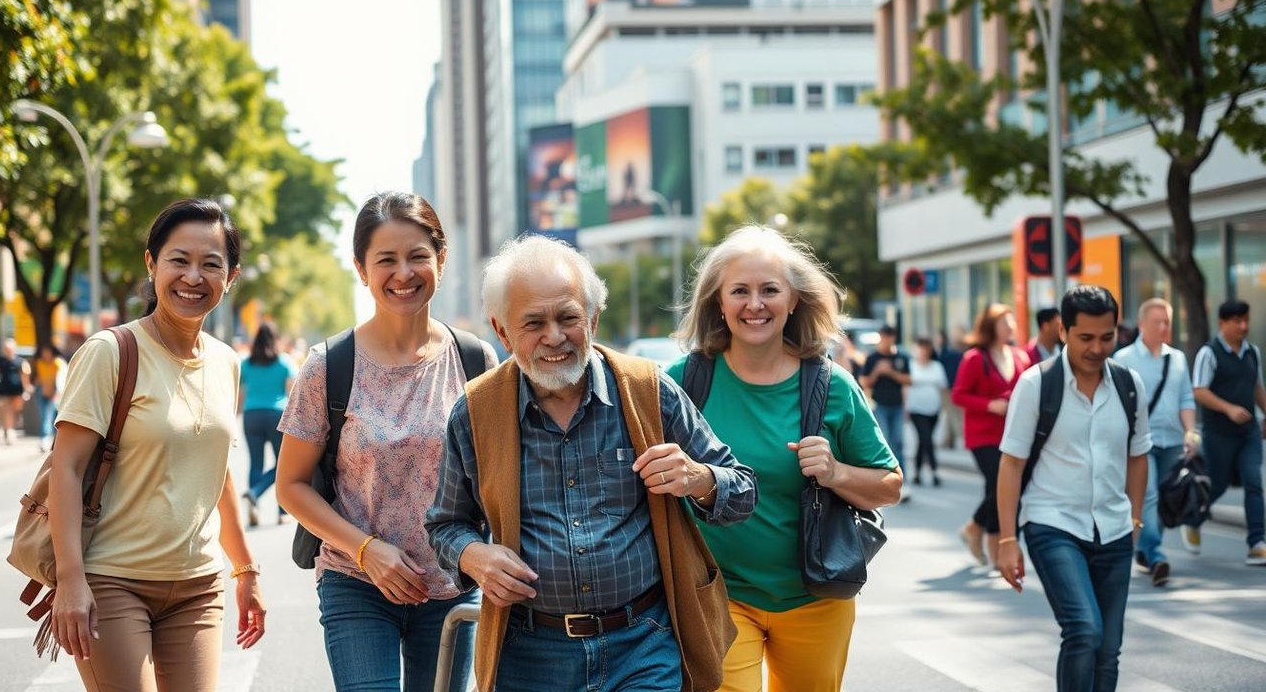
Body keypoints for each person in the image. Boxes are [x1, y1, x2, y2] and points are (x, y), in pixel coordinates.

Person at [426, 234, 758, 692]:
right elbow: (444, 525)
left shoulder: (647, 390)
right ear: (501, 331)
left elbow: (742, 491)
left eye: (568, 318)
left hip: (643, 643)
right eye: (533, 323)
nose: (555, 337)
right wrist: (473, 555)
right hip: (528, 655)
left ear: (594, 319)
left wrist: (699, 478)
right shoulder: (475, 412)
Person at [666, 226, 900, 692]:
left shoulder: (833, 386)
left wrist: (835, 472)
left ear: (794, 300)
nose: (755, 304)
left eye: (770, 290)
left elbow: (889, 485)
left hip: (816, 596)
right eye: (740, 291)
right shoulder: (681, 382)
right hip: (716, 595)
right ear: (718, 301)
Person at [276, 193, 494, 692]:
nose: (404, 273)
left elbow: (500, 474)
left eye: (418, 256)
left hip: (450, 587)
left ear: (441, 259)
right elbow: (290, 485)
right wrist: (366, 550)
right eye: (386, 260)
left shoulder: (476, 360)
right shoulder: (328, 366)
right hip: (356, 581)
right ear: (361, 269)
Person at [47, 198, 265, 689]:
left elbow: (217, 474)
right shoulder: (110, 352)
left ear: (230, 277)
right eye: (179, 260)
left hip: (198, 587)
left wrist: (245, 571)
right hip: (112, 580)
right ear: (152, 264)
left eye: (211, 264)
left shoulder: (227, 362)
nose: (193, 276)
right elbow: (66, 468)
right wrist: (70, 580)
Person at [995, 285, 1151, 692]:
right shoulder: (1036, 385)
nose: (1097, 348)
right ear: (1063, 330)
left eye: (1107, 336)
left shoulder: (1129, 385)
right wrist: (1008, 539)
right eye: (1086, 337)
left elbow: (1139, 455)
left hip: (1114, 529)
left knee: (1108, 648)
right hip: (1053, 523)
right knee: (1084, 629)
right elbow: (1011, 463)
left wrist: (1134, 519)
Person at [1113, 298, 1199, 585]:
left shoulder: (1176, 358)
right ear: (1141, 325)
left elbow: (1186, 397)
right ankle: (1157, 554)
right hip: (1141, 442)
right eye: (1157, 322)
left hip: (1173, 440)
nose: (1163, 327)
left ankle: (1147, 550)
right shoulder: (1123, 359)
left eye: (1167, 322)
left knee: (1164, 498)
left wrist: (1190, 431)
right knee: (1147, 495)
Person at [952, 304, 1031, 568]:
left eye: (1012, 323)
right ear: (991, 327)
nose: (1010, 328)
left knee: (999, 489)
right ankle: (976, 528)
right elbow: (958, 394)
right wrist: (990, 405)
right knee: (1002, 485)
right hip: (983, 435)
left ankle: (992, 546)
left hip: (1013, 434)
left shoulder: (1020, 357)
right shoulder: (975, 358)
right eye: (1004, 323)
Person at [1189, 299, 1266, 565]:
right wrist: (1228, 409)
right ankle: (1194, 518)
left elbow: (1257, 388)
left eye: (1246, 320)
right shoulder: (1208, 353)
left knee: (1253, 481)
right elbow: (1199, 391)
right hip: (1218, 434)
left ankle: (1257, 542)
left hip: (1249, 433)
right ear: (1222, 323)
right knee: (1217, 484)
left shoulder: (1252, 352)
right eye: (1237, 321)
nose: (1243, 326)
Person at [238, 323, 296, 527]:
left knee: (255, 463)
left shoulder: (246, 364)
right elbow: (292, 393)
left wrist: (236, 415)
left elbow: (241, 394)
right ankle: (282, 512)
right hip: (277, 416)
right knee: (283, 465)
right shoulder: (284, 362)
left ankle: (254, 506)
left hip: (251, 415)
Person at [860, 325, 911, 491]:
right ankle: (885, 478)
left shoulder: (901, 357)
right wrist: (877, 371)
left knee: (899, 442)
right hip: (880, 406)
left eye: (890, 337)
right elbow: (864, 382)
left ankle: (901, 480)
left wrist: (890, 373)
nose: (887, 340)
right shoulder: (873, 358)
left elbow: (909, 380)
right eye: (885, 337)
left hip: (897, 406)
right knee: (885, 441)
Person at [908, 337, 948, 487]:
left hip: (933, 410)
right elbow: (906, 387)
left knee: (924, 441)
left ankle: (917, 473)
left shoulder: (937, 366)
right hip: (916, 409)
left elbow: (943, 388)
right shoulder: (911, 366)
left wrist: (944, 409)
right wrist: (905, 407)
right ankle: (935, 472)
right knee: (927, 439)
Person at [0, 337, 32, 445]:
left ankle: (9, 430)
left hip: (17, 391)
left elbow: (25, 376)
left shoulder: (20, 361)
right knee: (6, 411)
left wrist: (26, 389)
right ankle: (9, 432)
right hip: (4, 391)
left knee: (15, 411)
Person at [33, 343, 68, 452]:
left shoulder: (58, 363)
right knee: (45, 417)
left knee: (52, 418)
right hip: (42, 392)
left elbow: (60, 379)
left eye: (47, 352)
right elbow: (39, 378)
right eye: (43, 352)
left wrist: (57, 392)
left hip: (55, 393)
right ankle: (46, 440)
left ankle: (53, 440)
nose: (45, 354)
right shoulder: (39, 363)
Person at [935, 327, 966, 450]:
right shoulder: (945, 352)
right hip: (951, 386)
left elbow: (951, 371)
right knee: (949, 414)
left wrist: (949, 385)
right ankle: (949, 440)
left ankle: (961, 437)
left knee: (954, 414)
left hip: (951, 387)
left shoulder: (949, 353)